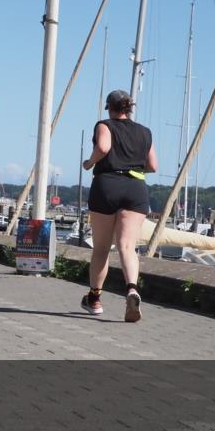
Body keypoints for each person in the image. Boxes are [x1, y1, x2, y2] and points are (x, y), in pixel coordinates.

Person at [81, 89, 158, 323]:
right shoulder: (145, 132)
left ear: (110, 108)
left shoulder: (104, 125)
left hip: (107, 184)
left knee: (102, 248)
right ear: (129, 108)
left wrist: (89, 162)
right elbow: (153, 165)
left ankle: (94, 299)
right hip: (135, 188)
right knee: (127, 246)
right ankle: (132, 289)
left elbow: (103, 147)